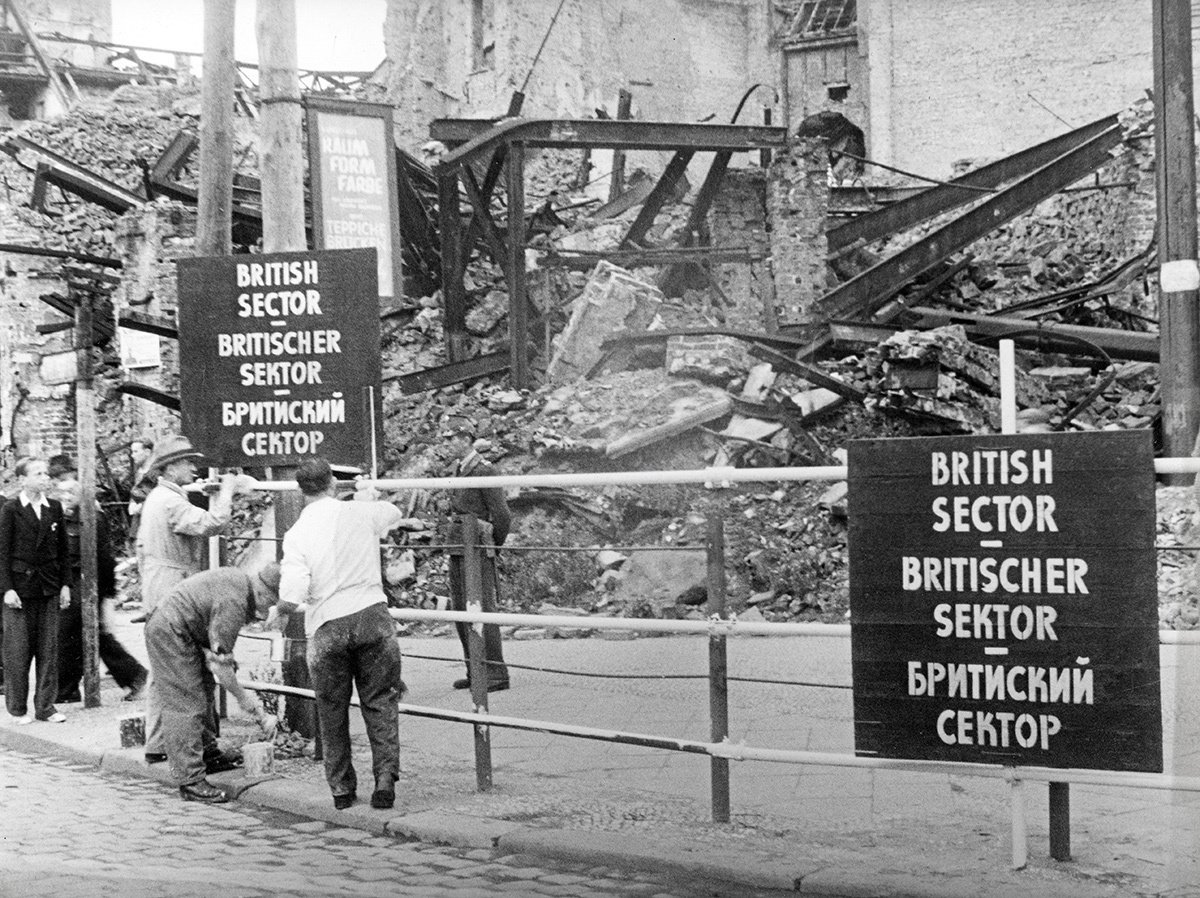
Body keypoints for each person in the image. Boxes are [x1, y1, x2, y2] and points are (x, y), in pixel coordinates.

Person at [279, 457, 423, 811]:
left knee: (331, 709)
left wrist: (279, 611)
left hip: (327, 623)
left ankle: (342, 788)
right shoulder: (359, 512)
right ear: (332, 483)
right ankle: (385, 778)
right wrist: (367, 495)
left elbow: (293, 591)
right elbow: (392, 512)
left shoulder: (296, 533)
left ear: (301, 491)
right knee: (380, 701)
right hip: (371, 614)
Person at [136, 434, 246, 763]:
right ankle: (199, 745)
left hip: (158, 582)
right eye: (186, 462)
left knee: (163, 668)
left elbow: (141, 548)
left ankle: (158, 742)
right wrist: (227, 491)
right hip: (174, 584)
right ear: (169, 469)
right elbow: (213, 523)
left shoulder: (158, 498)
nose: (193, 468)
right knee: (188, 668)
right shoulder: (171, 502)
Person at [145, 564, 280, 803]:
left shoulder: (241, 585)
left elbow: (219, 654)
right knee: (185, 703)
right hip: (171, 630)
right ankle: (190, 780)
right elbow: (221, 667)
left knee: (204, 690)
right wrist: (248, 702)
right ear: (263, 593)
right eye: (270, 604)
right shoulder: (234, 603)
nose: (265, 612)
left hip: (178, 626)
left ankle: (208, 754)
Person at [52, 479, 147, 704]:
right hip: (70, 584)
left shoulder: (92, 518)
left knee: (77, 636)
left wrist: (106, 592)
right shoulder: (62, 518)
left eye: (71, 492)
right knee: (78, 637)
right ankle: (69, 689)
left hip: (87, 584)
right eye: (62, 492)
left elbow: (104, 558)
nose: (65, 496)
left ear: (81, 494)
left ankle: (133, 676)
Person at [0, 458, 71, 724]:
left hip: (48, 586)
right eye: (38, 473)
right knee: (18, 651)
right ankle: (17, 708)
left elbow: (63, 551)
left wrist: (65, 584)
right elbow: (2, 552)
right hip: (20, 590)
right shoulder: (11, 509)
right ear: (22, 480)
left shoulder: (53, 507)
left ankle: (46, 707)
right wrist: (7, 589)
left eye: (46, 473)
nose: (45, 478)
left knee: (48, 650)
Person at [445, 442, 511, 692]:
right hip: (458, 543)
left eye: (451, 438)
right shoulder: (458, 468)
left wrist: (492, 544)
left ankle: (495, 673)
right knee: (461, 608)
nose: (446, 444)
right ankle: (475, 670)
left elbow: (502, 515)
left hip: (478, 545)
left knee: (482, 607)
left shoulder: (485, 470)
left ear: (464, 438)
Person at [125, 438, 156, 552]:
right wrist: (132, 503)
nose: (132, 455)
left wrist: (143, 506)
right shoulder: (138, 472)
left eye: (136, 451)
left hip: (153, 520)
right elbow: (137, 491)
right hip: (138, 519)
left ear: (147, 452)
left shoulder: (156, 472)